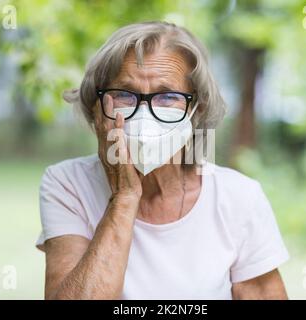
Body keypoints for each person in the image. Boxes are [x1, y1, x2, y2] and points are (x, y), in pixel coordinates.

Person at [36, 21, 289, 300]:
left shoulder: (238, 197)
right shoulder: (67, 184)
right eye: (123, 94)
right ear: (98, 107)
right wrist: (124, 197)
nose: (144, 114)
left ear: (196, 110)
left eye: (167, 96)